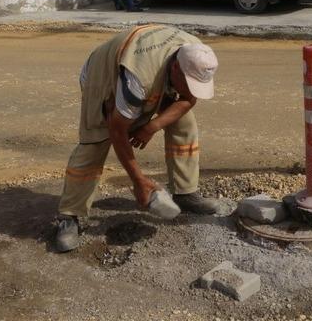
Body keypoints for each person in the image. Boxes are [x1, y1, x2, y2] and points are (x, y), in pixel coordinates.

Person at [54, 25, 222, 252]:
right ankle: (69, 216)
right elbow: (117, 131)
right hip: (103, 75)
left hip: (154, 74)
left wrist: (150, 127)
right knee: (95, 141)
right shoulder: (138, 80)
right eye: (189, 84)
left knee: (184, 123)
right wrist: (139, 181)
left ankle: (186, 193)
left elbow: (188, 99)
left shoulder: (196, 54)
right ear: (175, 68)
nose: (192, 91)